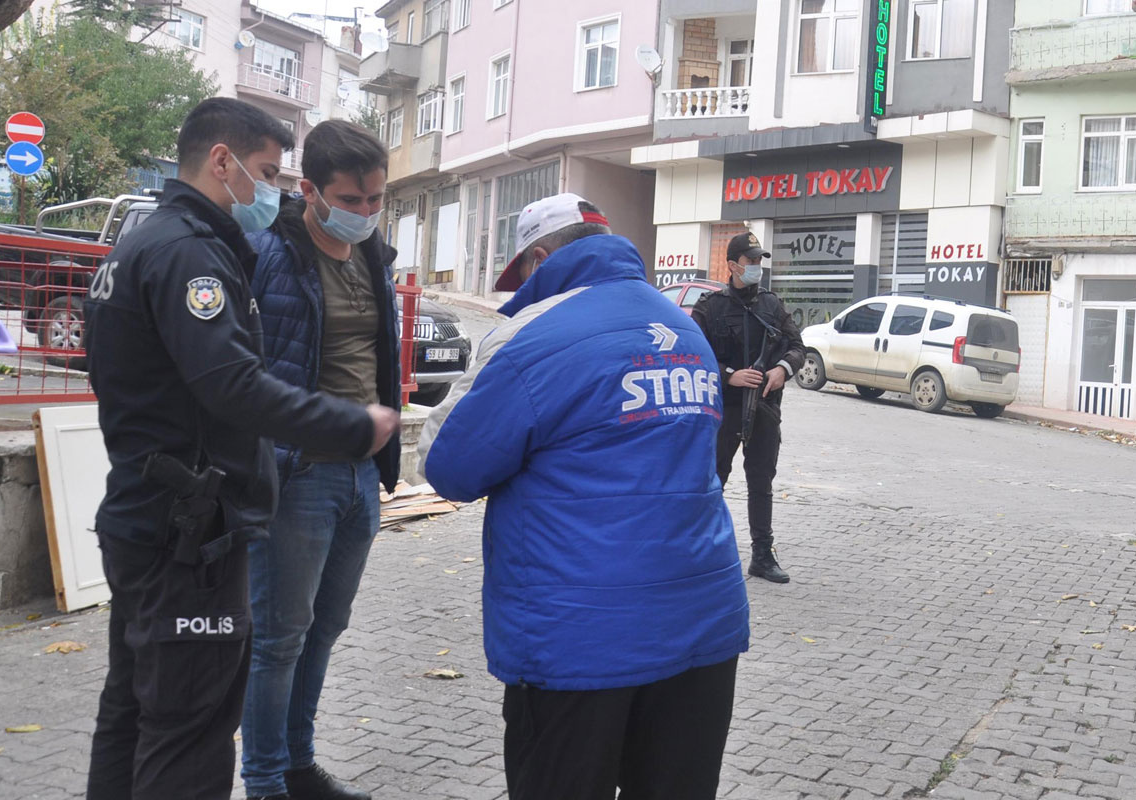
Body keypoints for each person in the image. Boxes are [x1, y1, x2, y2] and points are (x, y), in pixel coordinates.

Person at [82, 98, 400, 800]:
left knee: (134, 707)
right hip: (189, 525)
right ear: (221, 161)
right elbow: (234, 384)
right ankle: (268, 780)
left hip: (151, 509)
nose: (272, 189)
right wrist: (351, 425)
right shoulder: (194, 253)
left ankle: (292, 762)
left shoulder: (143, 244)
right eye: (266, 171)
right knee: (188, 723)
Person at [418, 193, 750, 800]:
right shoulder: (683, 328)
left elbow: (448, 467)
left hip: (579, 639)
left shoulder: (531, 337)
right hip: (702, 625)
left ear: (539, 259)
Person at [239, 120, 400, 800]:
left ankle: (299, 766)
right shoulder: (272, 254)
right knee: (279, 638)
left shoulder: (374, 257)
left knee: (326, 628)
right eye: (351, 199)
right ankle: (266, 781)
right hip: (299, 473)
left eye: (375, 199)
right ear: (309, 190)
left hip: (362, 477)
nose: (365, 212)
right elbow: (252, 372)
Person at [691, 231, 806, 584]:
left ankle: (762, 554)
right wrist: (729, 376)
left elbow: (798, 347)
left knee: (761, 482)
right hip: (724, 408)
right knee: (714, 480)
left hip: (764, 407)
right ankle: (701, 552)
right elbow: (694, 356)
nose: (757, 267)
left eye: (759, 261)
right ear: (732, 266)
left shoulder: (772, 305)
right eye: (750, 261)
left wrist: (781, 370)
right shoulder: (710, 308)